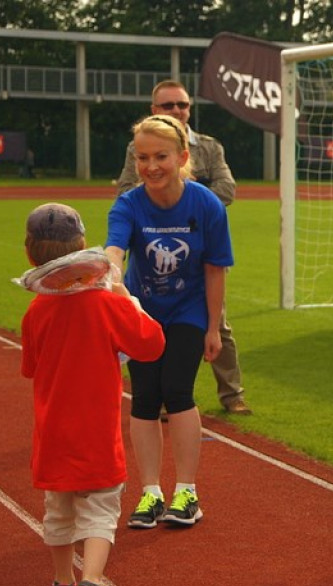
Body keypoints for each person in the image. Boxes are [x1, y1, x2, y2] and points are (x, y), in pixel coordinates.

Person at [20, 202, 165, 586]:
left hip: (53, 432)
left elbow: (30, 366)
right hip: (97, 432)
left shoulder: (35, 312)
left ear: (30, 255)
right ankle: (91, 584)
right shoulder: (106, 304)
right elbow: (152, 344)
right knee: (100, 510)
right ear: (82, 248)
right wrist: (124, 297)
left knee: (59, 510)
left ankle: (63, 583)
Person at [106, 115, 234, 530]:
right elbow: (114, 252)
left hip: (188, 310)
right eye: (142, 158)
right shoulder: (128, 204)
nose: (151, 166)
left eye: (161, 156)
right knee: (144, 396)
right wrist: (112, 277)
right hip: (143, 310)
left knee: (177, 389)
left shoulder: (205, 204)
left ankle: (187, 491)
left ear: (182, 157)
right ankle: (150, 493)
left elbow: (216, 269)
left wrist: (213, 327)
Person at [116, 79, 251, 416]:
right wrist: (165, 197)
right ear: (154, 110)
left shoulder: (208, 146)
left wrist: (190, 204)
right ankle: (160, 398)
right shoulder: (138, 145)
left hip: (201, 250)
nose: (176, 110)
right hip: (153, 251)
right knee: (153, 326)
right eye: (168, 106)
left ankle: (232, 394)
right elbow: (127, 188)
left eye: (182, 105)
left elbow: (226, 188)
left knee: (216, 324)